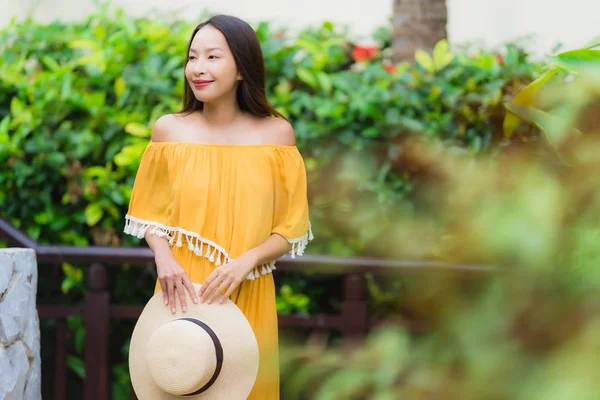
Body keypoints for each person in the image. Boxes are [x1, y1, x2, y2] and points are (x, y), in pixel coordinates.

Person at [123, 14, 313, 399]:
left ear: (242, 67)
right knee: (185, 383)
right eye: (193, 57)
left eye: (212, 57)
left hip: (249, 290)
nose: (198, 69)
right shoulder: (169, 131)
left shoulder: (277, 135)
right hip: (183, 293)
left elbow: (290, 228)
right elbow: (149, 214)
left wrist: (246, 262)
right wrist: (163, 257)